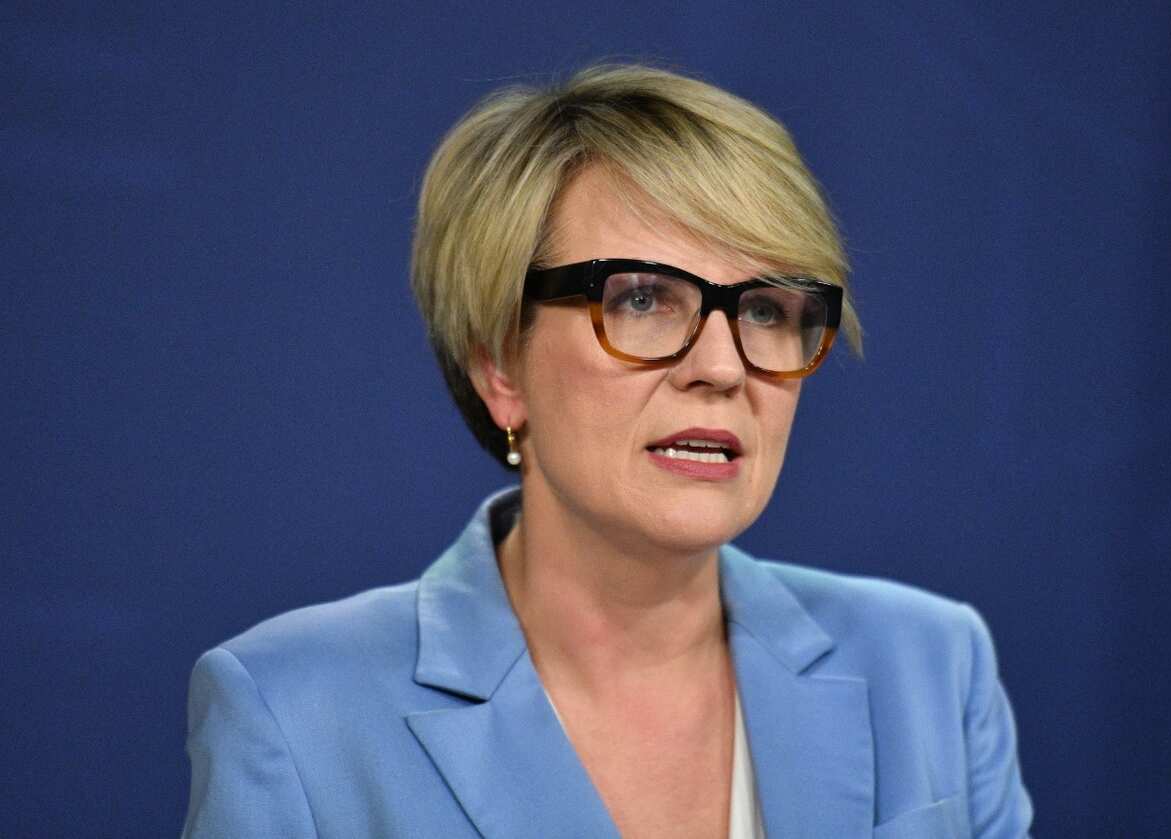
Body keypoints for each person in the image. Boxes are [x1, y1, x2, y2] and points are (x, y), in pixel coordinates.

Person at [181, 64, 1033, 838]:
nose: (722, 366)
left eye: (768, 310)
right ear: (499, 363)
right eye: (643, 300)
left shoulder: (932, 668)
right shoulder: (293, 713)